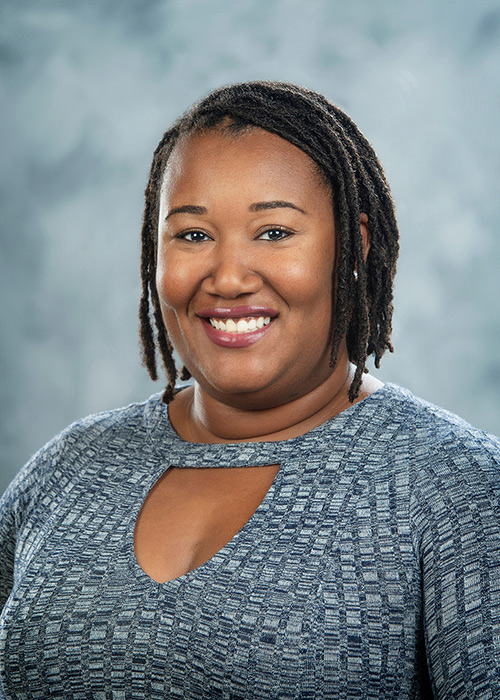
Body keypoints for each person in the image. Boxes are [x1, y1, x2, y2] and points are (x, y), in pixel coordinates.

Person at [0, 81, 499, 699]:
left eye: (273, 233)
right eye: (192, 235)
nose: (228, 277)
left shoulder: (453, 484)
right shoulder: (70, 468)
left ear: (355, 244)